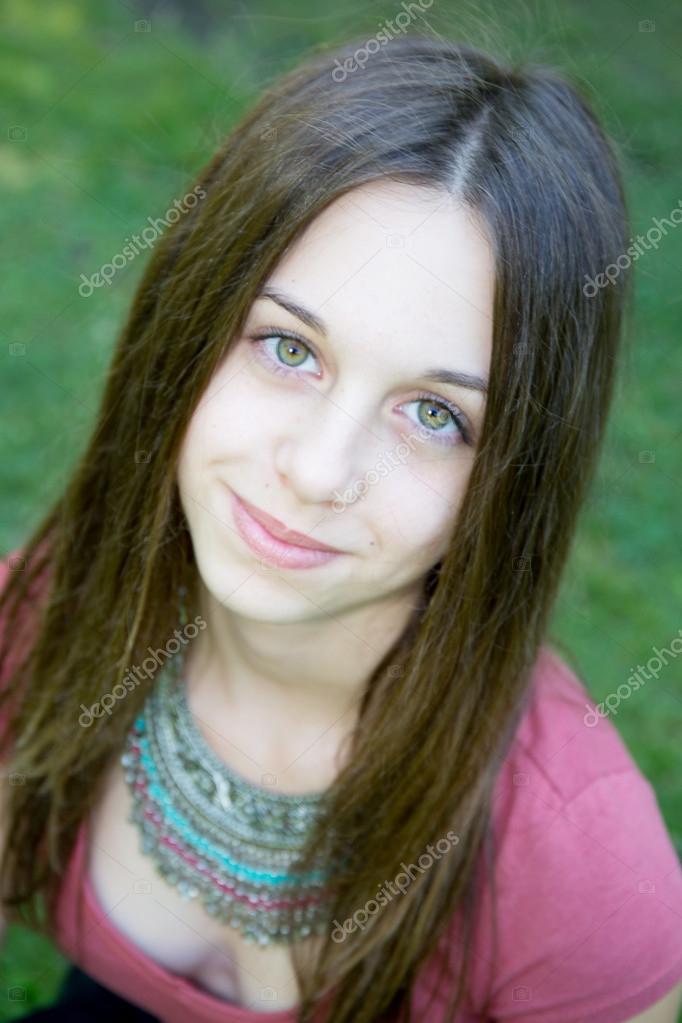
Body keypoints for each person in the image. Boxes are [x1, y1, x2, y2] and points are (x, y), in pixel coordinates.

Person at [0, 31, 681, 1023]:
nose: (318, 470)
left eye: (434, 416)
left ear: (515, 476)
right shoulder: (46, 621)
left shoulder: (578, 876)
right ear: (188, 330)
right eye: (286, 346)